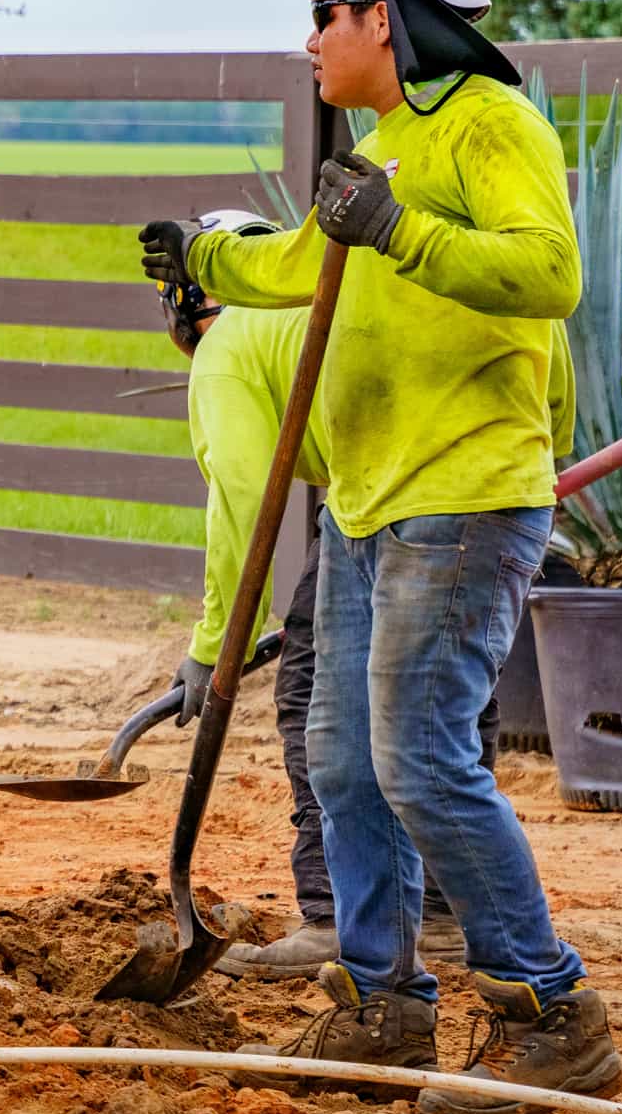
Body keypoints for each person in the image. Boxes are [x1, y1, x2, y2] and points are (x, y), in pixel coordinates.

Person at [142, 0, 622, 1114]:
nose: (308, 41)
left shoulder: (488, 124)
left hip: (460, 499)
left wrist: (403, 228)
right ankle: (382, 1005)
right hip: (366, 504)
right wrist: (202, 257)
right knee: (344, 758)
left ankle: (549, 1011)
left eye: (324, 14)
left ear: (389, 16)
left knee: (420, 757)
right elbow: (304, 264)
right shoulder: (381, 145)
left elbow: (551, 273)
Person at [159, 209, 465, 982]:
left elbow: (242, 500)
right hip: (464, 479)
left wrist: (210, 648)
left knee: (312, 692)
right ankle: (439, 915)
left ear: (188, 304)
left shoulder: (228, 349)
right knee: (441, 702)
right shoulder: (318, 312)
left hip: (390, 496)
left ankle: (336, 913)